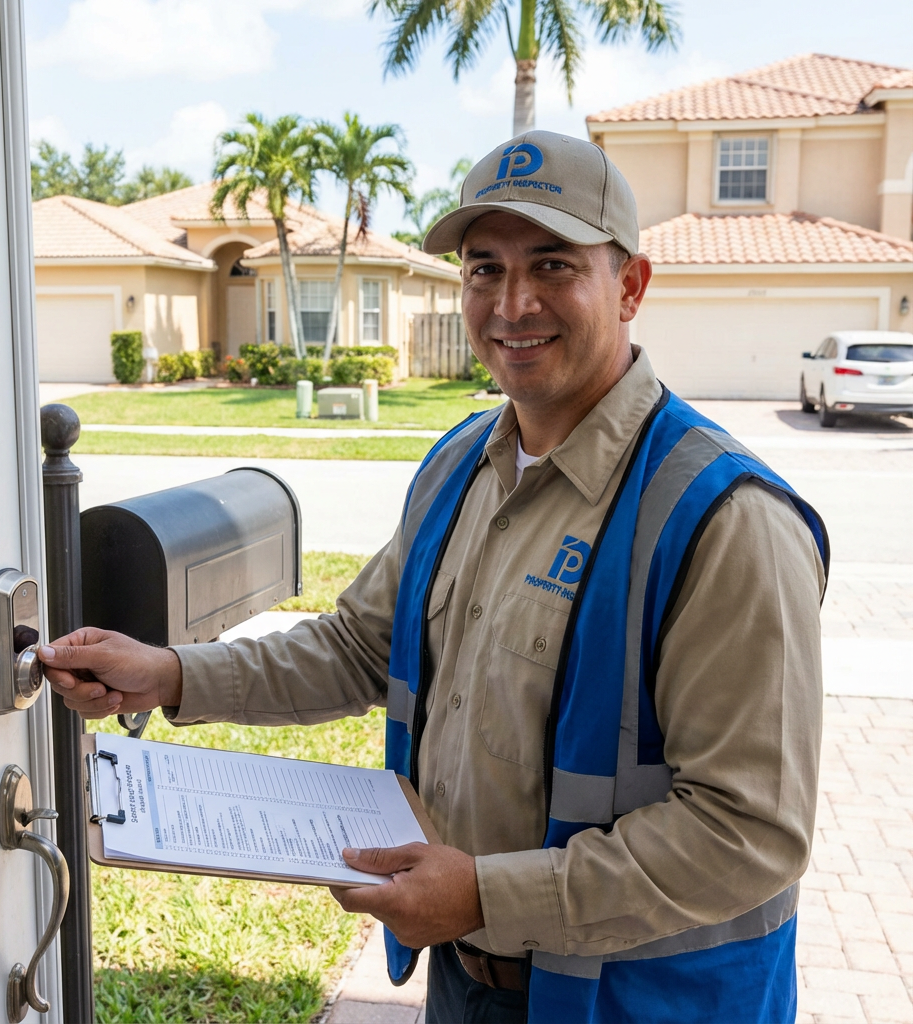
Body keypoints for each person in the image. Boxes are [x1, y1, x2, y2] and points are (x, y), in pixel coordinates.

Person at [40, 131, 827, 1024]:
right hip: (469, 984)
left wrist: (489, 896)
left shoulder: (726, 521)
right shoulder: (462, 465)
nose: (512, 302)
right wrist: (173, 671)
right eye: (484, 268)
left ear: (631, 286)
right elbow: (358, 647)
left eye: (555, 265)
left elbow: (749, 832)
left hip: (653, 1003)